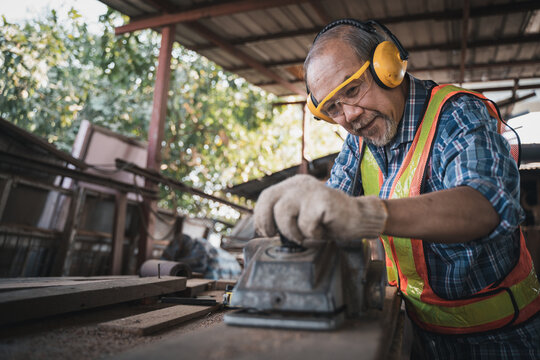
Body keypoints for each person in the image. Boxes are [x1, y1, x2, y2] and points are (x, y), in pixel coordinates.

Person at [253, 19, 540, 359]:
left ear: (386, 66)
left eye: (352, 89)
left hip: (502, 338)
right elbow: (328, 213)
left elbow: (486, 206)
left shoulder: (457, 114)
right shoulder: (357, 145)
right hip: (422, 335)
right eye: (333, 108)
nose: (351, 115)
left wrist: (366, 213)